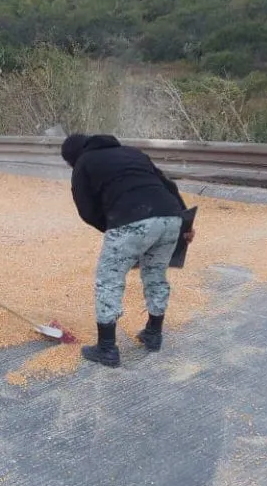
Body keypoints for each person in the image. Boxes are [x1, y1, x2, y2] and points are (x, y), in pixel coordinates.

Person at [61, 133, 195, 368]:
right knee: (155, 276)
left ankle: (106, 348)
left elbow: (87, 210)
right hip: (171, 218)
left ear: (72, 157)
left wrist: (114, 228)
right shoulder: (133, 153)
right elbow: (169, 186)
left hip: (131, 220)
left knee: (109, 280)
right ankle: (154, 334)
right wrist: (186, 224)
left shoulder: (84, 163)